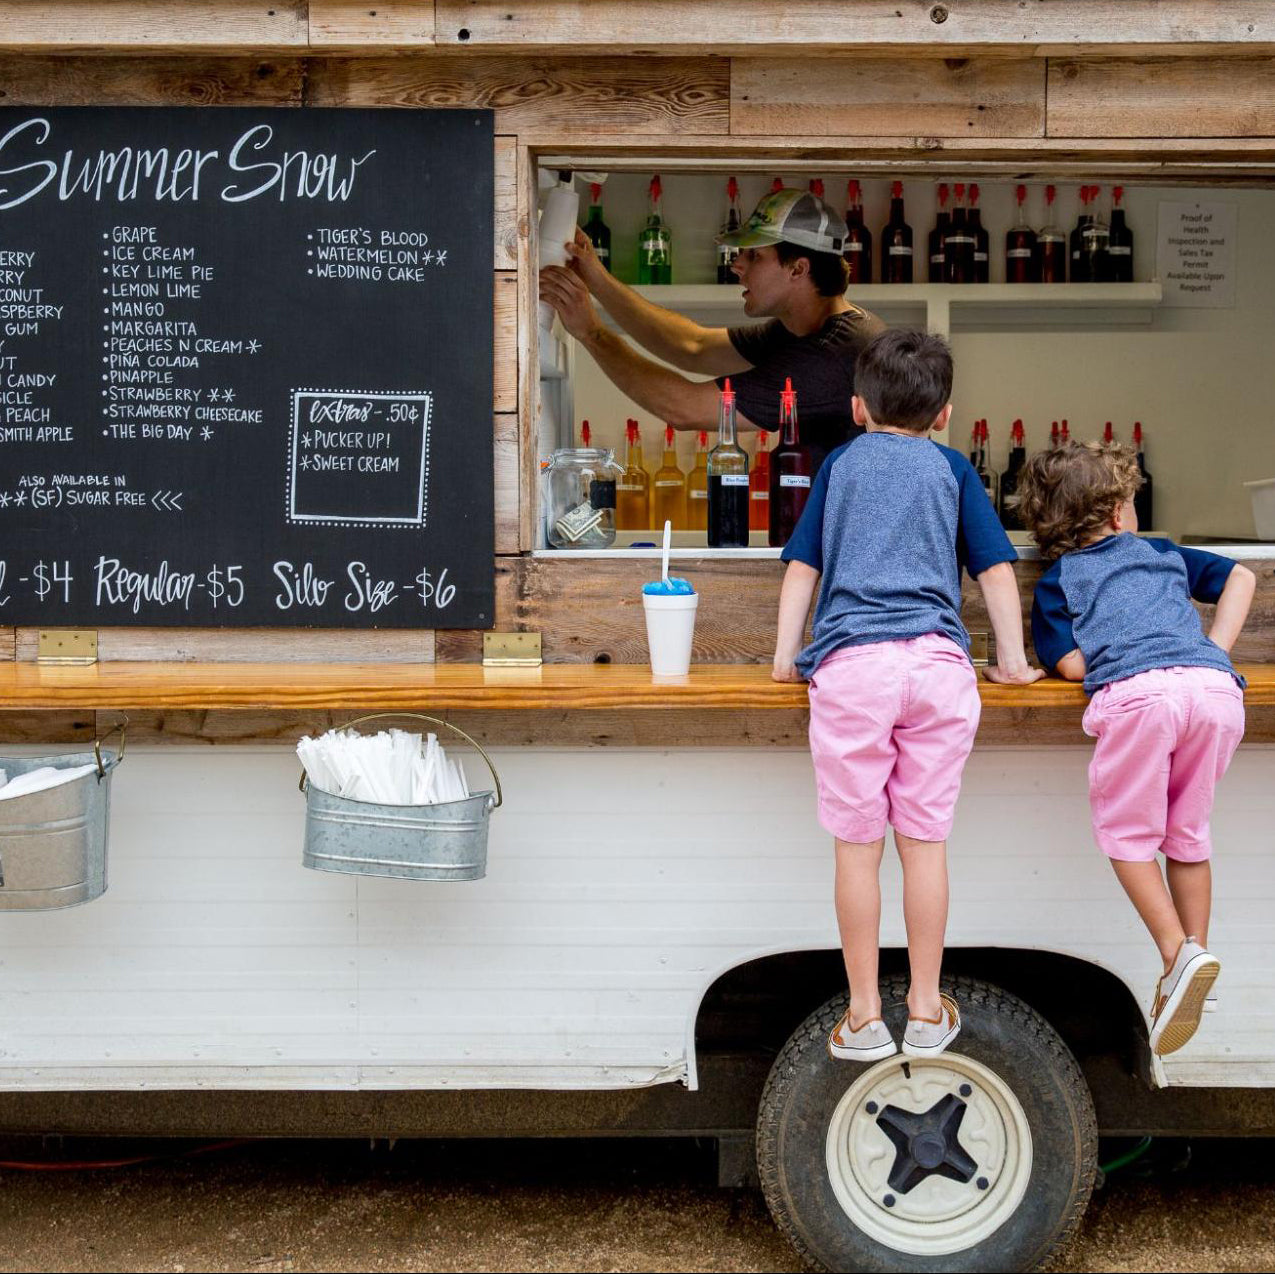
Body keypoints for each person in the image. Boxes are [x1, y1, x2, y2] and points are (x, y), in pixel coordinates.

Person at [771, 329, 1043, 1062]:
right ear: (945, 413)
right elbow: (993, 571)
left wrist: (782, 661)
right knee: (923, 846)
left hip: (852, 669)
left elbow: (802, 568)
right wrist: (1012, 661)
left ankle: (862, 1016)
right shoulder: (953, 470)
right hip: (935, 669)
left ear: (857, 408)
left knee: (857, 851)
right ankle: (924, 1006)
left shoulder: (839, 465)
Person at [1016, 441, 1256, 1056]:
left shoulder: (1060, 578)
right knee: (1189, 834)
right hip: (1213, 692)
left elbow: (1069, 664)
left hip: (1141, 701)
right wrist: (1216, 648)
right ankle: (1194, 952)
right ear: (1122, 514)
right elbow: (1242, 575)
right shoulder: (1161, 553)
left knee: (1128, 839)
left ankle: (1175, 953)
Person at [538, 187, 885, 471]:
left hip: (853, 552)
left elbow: (686, 408)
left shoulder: (834, 352)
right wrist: (596, 277)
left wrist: (592, 333)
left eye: (754, 256)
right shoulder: (803, 328)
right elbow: (694, 346)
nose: (736, 265)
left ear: (798, 269)